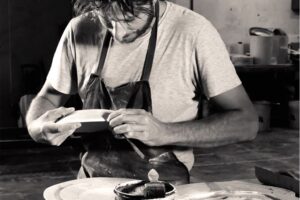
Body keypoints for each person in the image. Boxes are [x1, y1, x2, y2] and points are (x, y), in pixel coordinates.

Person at [26, 0, 258, 184]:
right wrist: (37, 127)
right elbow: (47, 97)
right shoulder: (80, 29)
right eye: (107, 19)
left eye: (129, 19)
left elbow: (246, 122)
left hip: (163, 188)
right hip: (91, 187)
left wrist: (165, 132)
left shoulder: (193, 32)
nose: (119, 31)